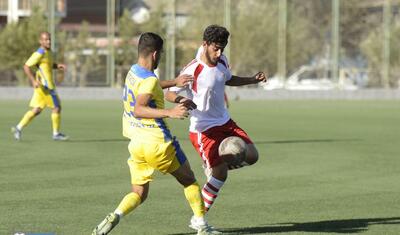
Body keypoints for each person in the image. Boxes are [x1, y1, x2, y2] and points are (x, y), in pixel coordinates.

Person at [92, 32, 220, 235]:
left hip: (136, 145)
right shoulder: (150, 80)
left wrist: (175, 87)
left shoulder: (133, 72)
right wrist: (171, 112)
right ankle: (202, 227)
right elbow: (139, 108)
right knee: (189, 180)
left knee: (139, 193)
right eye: (160, 54)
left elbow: (151, 88)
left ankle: (115, 215)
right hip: (159, 143)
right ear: (154, 54)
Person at [165, 25, 267, 217]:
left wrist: (252, 80)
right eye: (215, 48)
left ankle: (212, 166)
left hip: (225, 122)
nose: (219, 53)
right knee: (221, 174)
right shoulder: (193, 69)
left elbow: (227, 78)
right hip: (203, 129)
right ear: (205, 44)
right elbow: (170, 93)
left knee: (252, 156)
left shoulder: (222, 60)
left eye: (222, 49)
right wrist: (181, 100)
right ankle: (199, 218)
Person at [11, 31, 68, 141]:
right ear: (40, 41)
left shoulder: (49, 52)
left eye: (49, 39)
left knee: (37, 110)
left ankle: (18, 128)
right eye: (46, 39)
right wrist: (33, 80)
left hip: (42, 87)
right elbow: (26, 66)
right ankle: (56, 134)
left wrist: (57, 65)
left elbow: (48, 65)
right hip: (46, 87)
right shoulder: (39, 52)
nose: (49, 41)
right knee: (56, 108)